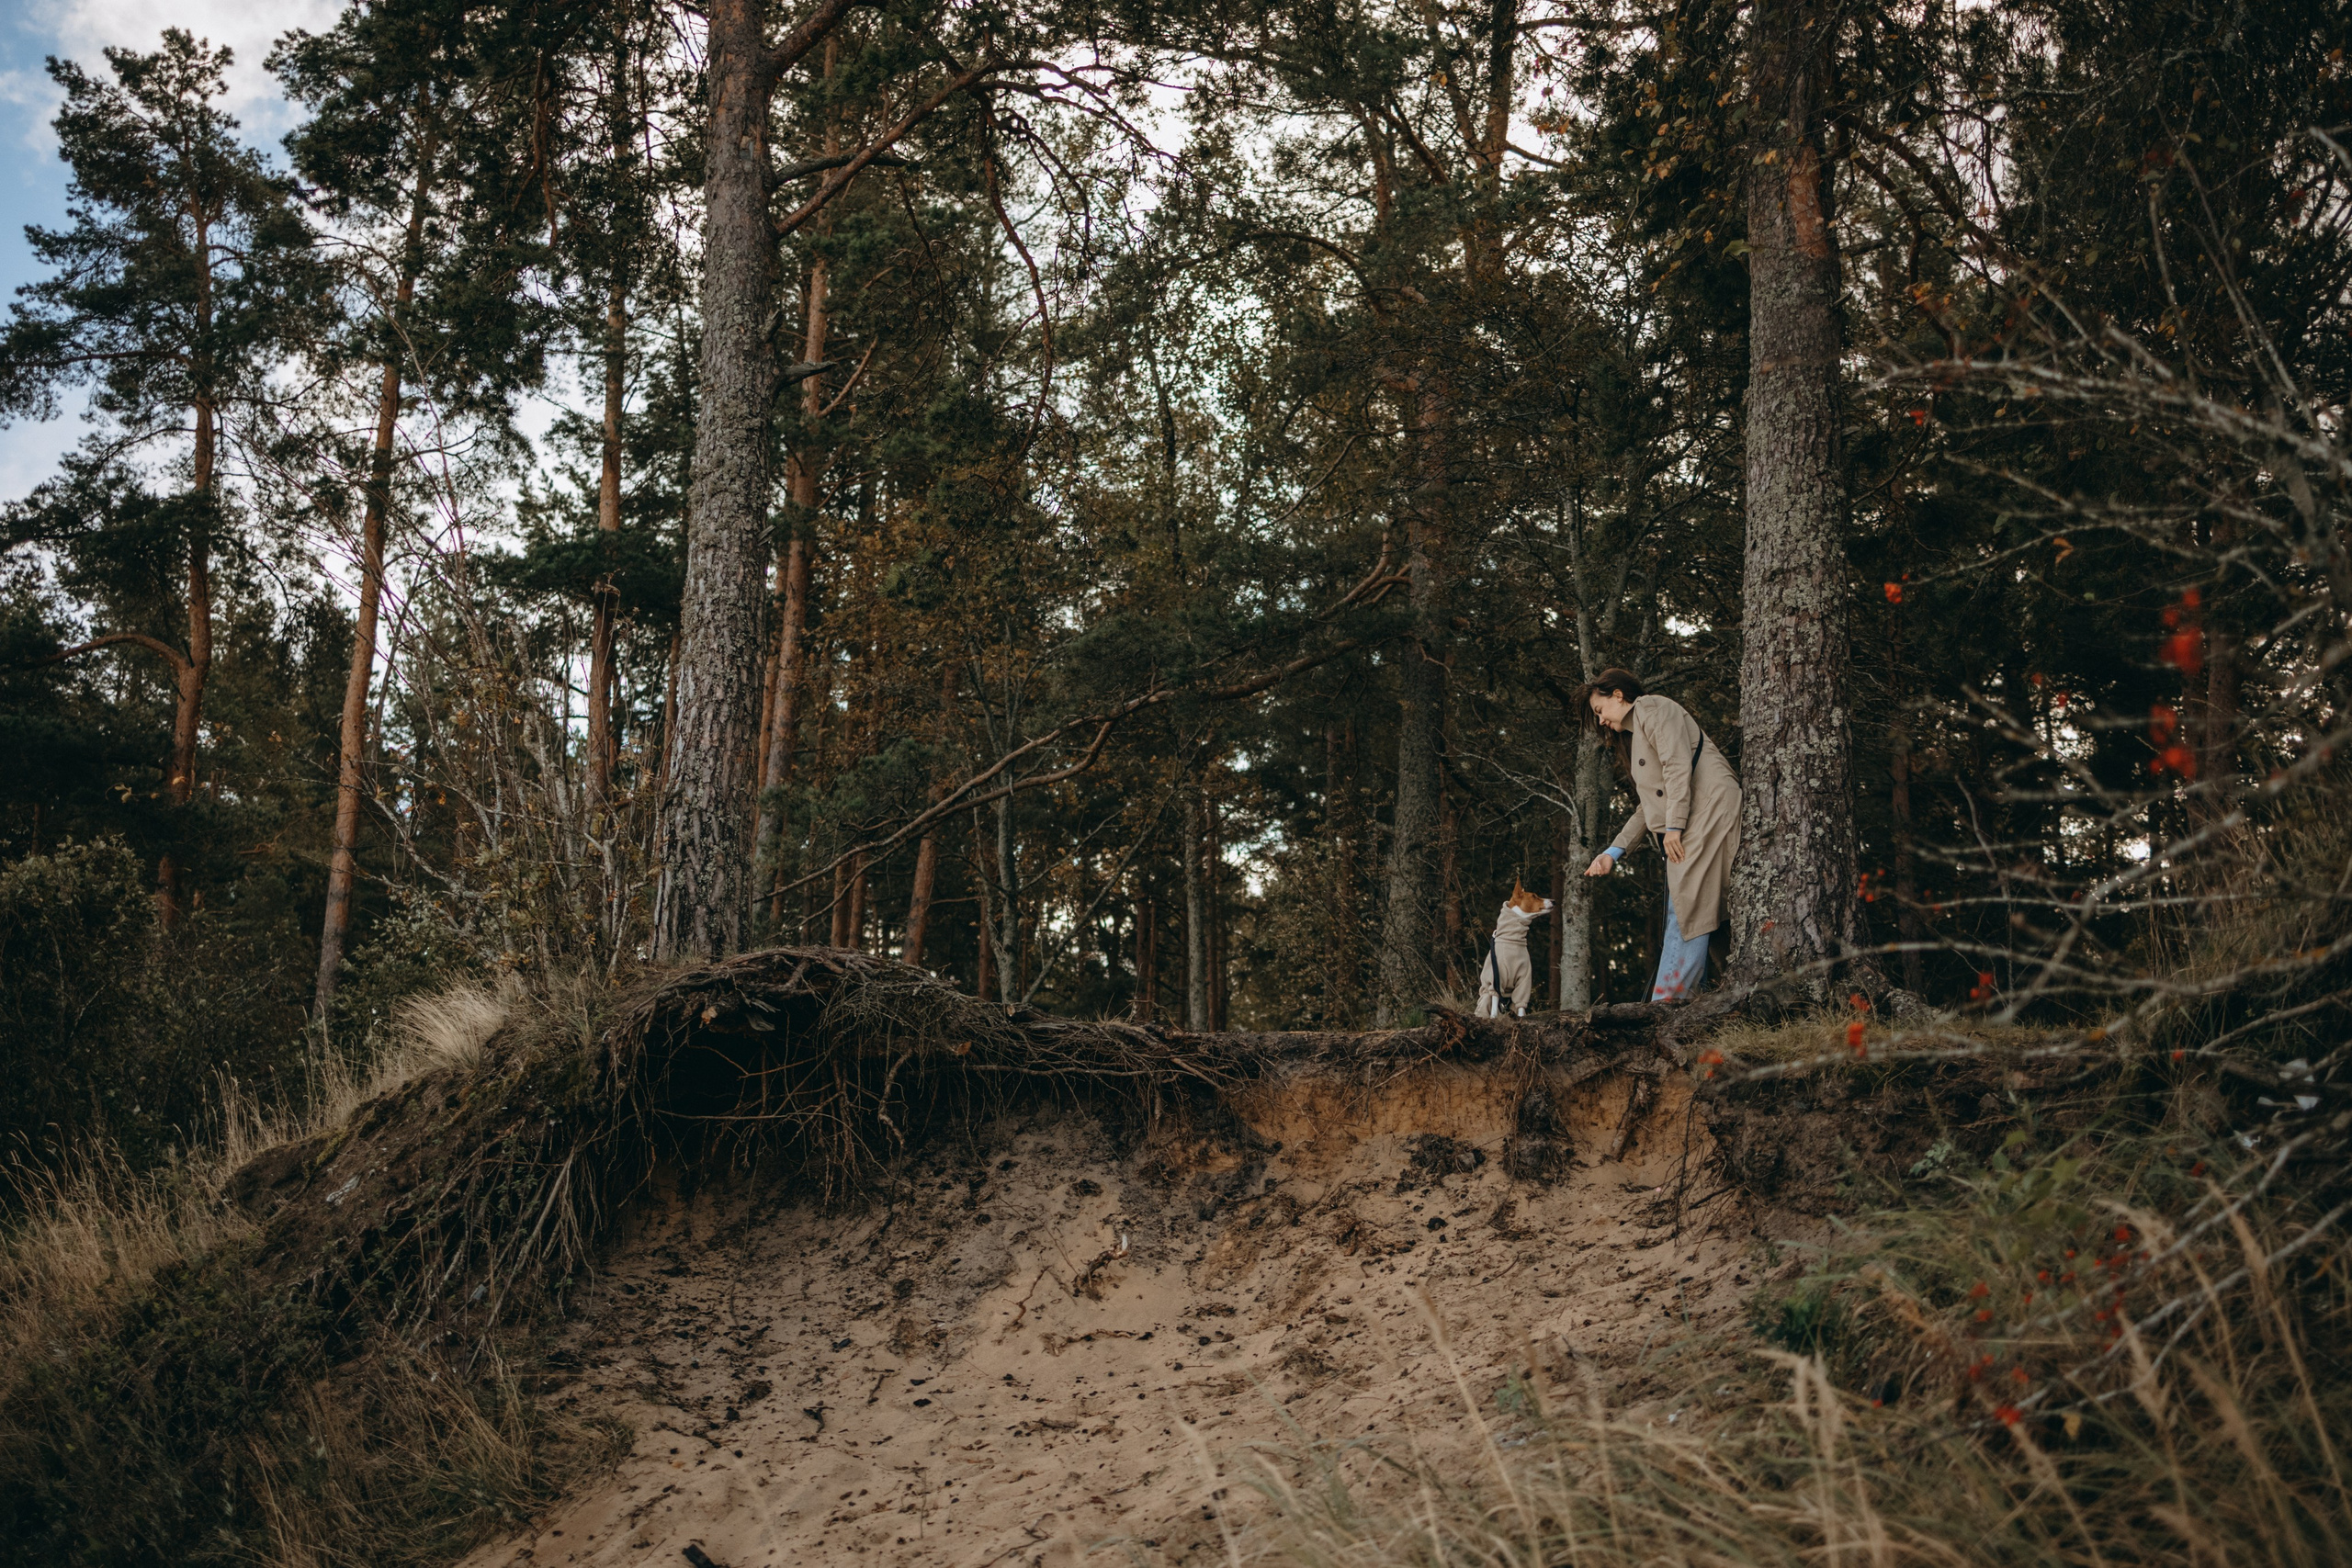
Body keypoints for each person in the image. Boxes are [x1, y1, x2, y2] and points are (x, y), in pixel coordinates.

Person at [1579, 669, 1742, 1001]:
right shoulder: (1638, 734)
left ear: (1618, 696)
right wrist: (1613, 852)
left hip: (1708, 811)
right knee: (1708, 912)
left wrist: (1674, 827)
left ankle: (1667, 1003)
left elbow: (1677, 766)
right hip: (1696, 816)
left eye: (1599, 711)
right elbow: (1648, 807)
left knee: (1686, 909)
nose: (1601, 722)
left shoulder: (1653, 708)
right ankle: (1733, 994)